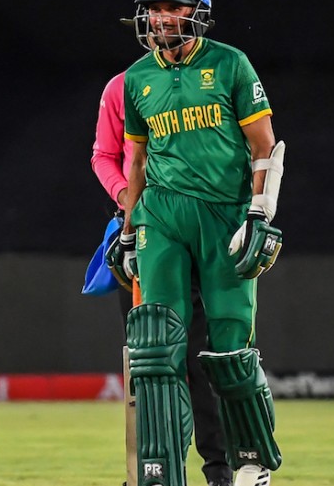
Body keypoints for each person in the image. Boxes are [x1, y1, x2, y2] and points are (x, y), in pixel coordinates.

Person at [112, 0, 285, 486]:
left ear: (197, 12)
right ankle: (160, 468)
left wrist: (260, 212)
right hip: (161, 215)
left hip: (224, 214)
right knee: (156, 346)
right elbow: (136, 163)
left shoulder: (231, 65)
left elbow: (264, 148)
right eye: (155, 9)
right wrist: (126, 229)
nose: (162, 18)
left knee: (231, 343)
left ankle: (249, 459)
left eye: (173, 7)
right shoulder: (137, 78)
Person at [92, 71, 231, 486]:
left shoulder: (204, 82)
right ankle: (151, 471)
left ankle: (218, 471)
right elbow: (104, 155)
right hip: (138, 236)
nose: (162, 23)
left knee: (202, 357)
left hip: (193, 231)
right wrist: (129, 201)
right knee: (149, 360)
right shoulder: (122, 85)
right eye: (155, 13)